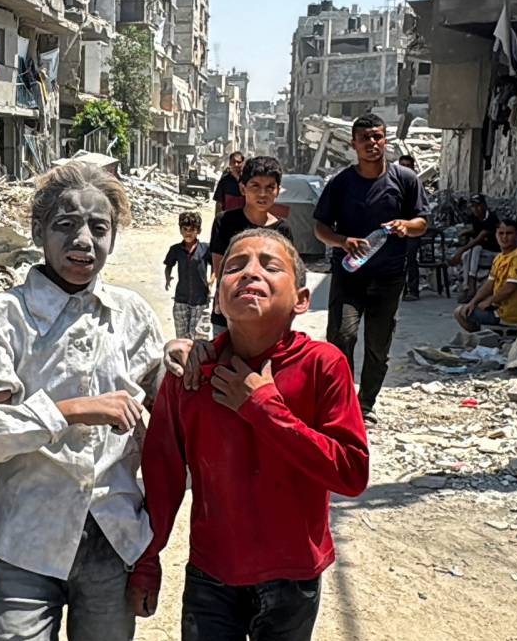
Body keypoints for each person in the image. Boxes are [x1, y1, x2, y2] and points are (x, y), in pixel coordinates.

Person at [0, 162, 165, 641]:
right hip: (27, 541)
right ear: (38, 231)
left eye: (98, 228)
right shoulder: (5, 319)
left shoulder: (131, 317)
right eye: (65, 225)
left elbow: (174, 413)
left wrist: (192, 358)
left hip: (113, 538)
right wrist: (67, 410)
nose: (82, 239)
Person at [127, 229, 369, 641]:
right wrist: (147, 560)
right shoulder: (191, 375)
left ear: (301, 300)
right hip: (212, 574)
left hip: (292, 575)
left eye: (270, 266)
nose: (249, 273)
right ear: (217, 295)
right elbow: (163, 476)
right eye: (235, 266)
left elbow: (351, 473)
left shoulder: (323, 365)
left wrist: (262, 408)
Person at [313, 113, 428, 424]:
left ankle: (365, 405)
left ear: (385, 140)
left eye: (377, 137)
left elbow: (422, 222)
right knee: (341, 337)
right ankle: (343, 401)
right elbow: (320, 228)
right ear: (354, 144)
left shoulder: (404, 179)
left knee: (378, 346)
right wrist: (341, 240)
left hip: (389, 277)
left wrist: (406, 225)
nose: (372, 144)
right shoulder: (340, 183)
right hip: (349, 276)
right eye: (365, 138)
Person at [209, 155, 295, 335]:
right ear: (242, 188)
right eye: (255, 186)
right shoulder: (224, 221)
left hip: (267, 313)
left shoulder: (283, 230)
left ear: (278, 190)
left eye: (270, 187)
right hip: (230, 309)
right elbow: (220, 267)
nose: (262, 194)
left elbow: (287, 274)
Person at [455, 218, 517, 332]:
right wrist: (473, 302)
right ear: (496, 235)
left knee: (460, 312)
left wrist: (489, 301)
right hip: (499, 308)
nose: (504, 237)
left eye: (509, 233)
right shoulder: (499, 257)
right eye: (501, 233)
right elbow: (489, 284)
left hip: (510, 314)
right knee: (467, 308)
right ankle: (484, 337)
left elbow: (510, 287)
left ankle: (482, 336)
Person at [165, 211, 211, 339]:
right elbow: (169, 265)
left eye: (192, 229)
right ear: (180, 230)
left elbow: (215, 266)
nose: (188, 232)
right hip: (181, 298)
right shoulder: (175, 249)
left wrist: (212, 280)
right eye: (185, 229)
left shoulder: (205, 249)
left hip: (200, 299)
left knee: (198, 337)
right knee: (182, 337)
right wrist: (167, 278)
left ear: (198, 231)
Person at [450, 194, 501, 304]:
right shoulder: (474, 218)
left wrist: (460, 251)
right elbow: (476, 231)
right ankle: (466, 286)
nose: (475, 209)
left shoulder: (491, 218)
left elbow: (480, 237)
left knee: (474, 248)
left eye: (478, 206)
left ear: (484, 205)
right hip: (480, 250)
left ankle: (472, 284)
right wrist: (466, 232)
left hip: (493, 250)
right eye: (473, 206)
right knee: (466, 255)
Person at [398, 155, 422, 301]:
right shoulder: (393, 182)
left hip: (412, 229)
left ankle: (413, 290)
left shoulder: (415, 184)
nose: (405, 168)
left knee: (411, 260)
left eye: (408, 165)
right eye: (402, 165)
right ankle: (401, 290)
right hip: (396, 229)